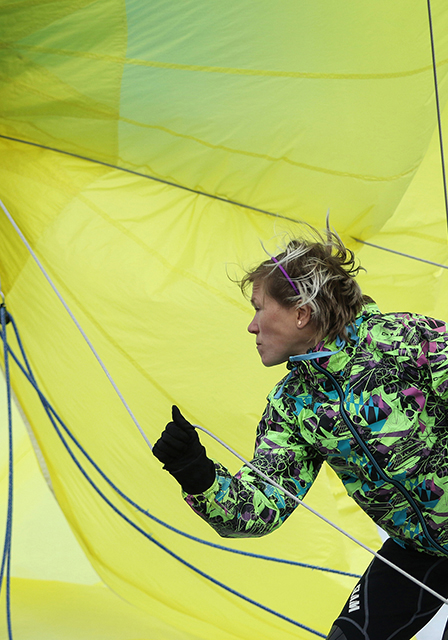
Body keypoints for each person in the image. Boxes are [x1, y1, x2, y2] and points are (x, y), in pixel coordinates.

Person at [152, 229, 448, 640]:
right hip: (419, 552)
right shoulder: (293, 404)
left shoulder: (402, 341)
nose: (251, 327)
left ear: (301, 314)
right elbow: (261, 507)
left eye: (258, 309)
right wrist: (196, 473)